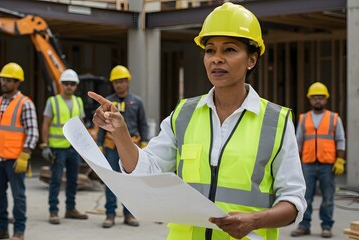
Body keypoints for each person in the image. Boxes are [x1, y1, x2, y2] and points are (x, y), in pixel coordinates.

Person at [88, 3, 306, 239]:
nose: (217, 59)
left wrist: (255, 220)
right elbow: (146, 170)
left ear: (251, 59)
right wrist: (120, 132)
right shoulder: (184, 114)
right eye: (210, 50)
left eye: (230, 50)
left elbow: (293, 201)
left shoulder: (275, 122)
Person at [0, 62, 39, 240]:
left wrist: (26, 154)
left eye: (8, 80)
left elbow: (33, 131)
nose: (3, 83)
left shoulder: (25, 103)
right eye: (2, 79)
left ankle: (19, 232)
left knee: (18, 196)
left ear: (17, 83)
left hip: (15, 159)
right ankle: (1, 229)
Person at [96, 65, 149, 228]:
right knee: (111, 181)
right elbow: (101, 125)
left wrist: (145, 141)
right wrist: (99, 145)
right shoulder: (108, 101)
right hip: (111, 146)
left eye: (122, 81)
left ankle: (129, 214)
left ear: (127, 82)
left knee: (130, 182)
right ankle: (110, 214)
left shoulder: (137, 102)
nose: (119, 85)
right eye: (116, 82)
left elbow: (142, 123)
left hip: (131, 147)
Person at [291, 82, 346, 238]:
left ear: (326, 100)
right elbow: (298, 142)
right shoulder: (304, 118)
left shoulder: (334, 118)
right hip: (307, 164)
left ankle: (327, 226)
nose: (317, 101)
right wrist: (295, 164)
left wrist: (340, 160)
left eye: (320, 98)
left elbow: (341, 139)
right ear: (310, 99)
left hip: (327, 165)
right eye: (314, 98)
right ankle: (303, 226)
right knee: (305, 197)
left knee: (328, 198)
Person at [40, 69, 88, 224]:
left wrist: (83, 145)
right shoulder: (52, 101)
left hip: (73, 148)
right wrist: (45, 145)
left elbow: (80, 125)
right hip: (57, 148)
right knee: (56, 180)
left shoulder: (78, 102)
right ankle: (53, 211)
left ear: (76, 86)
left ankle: (70, 209)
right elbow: (46, 124)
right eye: (66, 83)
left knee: (73, 180)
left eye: (72, 84)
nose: (69, 86)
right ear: (61, 85)